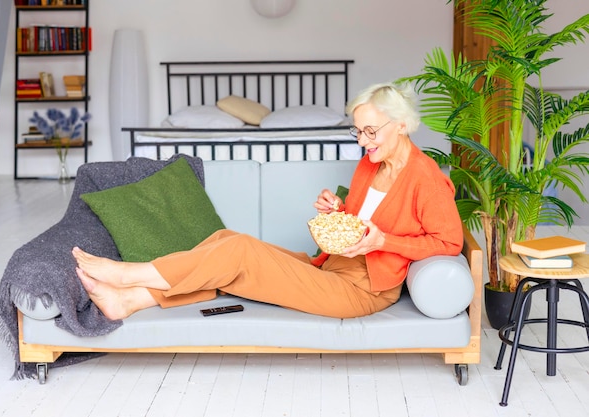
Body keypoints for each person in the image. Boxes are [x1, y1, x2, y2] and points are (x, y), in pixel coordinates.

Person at [72, 82, 464, 321]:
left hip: (363, 290)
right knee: (225, 239)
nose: (363, 141)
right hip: (332, 267)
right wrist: (339, 210)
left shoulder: (426, 177)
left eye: (371, 131)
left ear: (401, 124)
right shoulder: (369, 164)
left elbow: (450, 244)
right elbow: (363, 220)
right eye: (358, 132)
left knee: (240, 252)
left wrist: (384, 243)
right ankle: (131, 302)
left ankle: (129, 275)